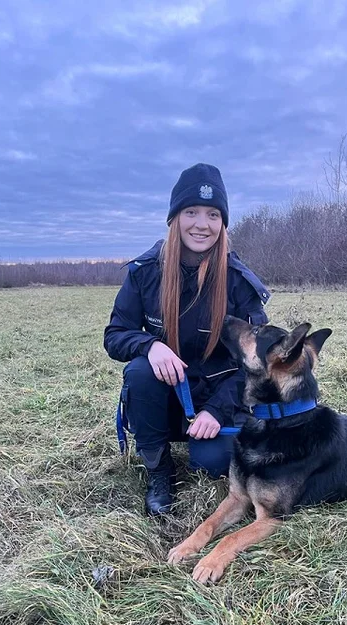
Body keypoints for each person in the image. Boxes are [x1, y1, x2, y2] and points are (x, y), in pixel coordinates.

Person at [104, 163, 270, 515]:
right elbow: (115, 336)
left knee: (211, 463)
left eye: (213, 214)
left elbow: (257, 363)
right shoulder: (145, 272)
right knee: (139, 371)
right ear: (175, 218)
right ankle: (159, 471)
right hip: (167, 398)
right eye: (191, 212)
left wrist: (217, 409)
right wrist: (149, 345)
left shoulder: (238, 281)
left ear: (222, 223)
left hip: (220, 398)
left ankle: (204, 443)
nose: (201, 224)